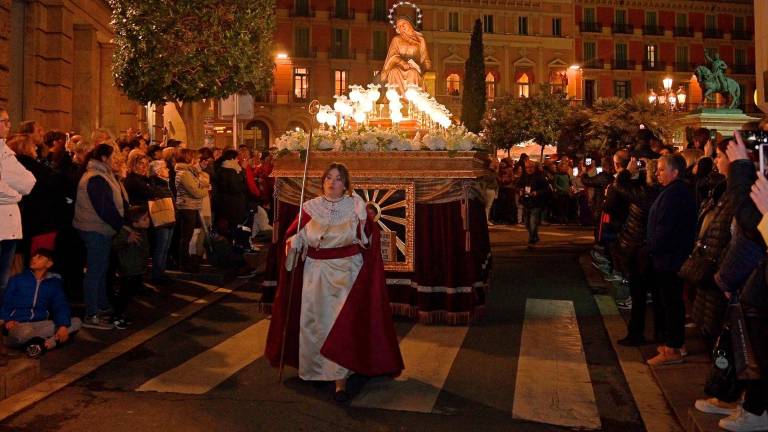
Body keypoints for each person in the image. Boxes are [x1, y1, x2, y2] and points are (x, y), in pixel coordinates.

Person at [265, 163, 404, 403]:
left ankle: (340, 381)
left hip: (346, 272)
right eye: (328, 178)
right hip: (315, 273)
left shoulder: (356, 206)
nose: (332, 182)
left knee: (340, 324)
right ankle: (314, 371)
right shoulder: (309, 208)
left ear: (346, 184)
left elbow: (369, 240)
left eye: (338, 179)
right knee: (315, 322)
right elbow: (293, 237)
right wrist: (295, 242)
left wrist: (364, 223)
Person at [645, 154, 697, 366]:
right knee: (672, 302)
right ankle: (675, 343)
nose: (657, 173)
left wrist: (651, 248)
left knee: (671, 303)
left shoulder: (676, 195)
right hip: (669, 256)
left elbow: (666, 229)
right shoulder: (673, 192)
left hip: (670, 258)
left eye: (661, 169)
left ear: (674, 172)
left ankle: (673, 348)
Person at [73, 143, 130, 330]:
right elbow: (104, 208)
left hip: (100, 229)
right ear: (104, 158)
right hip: (95, 229)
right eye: (115, 156)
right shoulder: (96, 178)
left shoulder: (103, 175)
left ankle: (101, 305)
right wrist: (122, 226)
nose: (118, 160)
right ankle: (92, 313)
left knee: (101, 269)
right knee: (95, 271)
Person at [0, 249, 81, 358]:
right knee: (24, 333)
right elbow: (6, 302)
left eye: (40, 257)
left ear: (49, 264)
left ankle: (39, 345)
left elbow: (60, 305)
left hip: (40, 324)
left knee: (75, 322)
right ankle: (47, 343)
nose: (34, 258)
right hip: (18, 325)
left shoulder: (53, 284)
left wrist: (62, 326)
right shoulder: (17, 280)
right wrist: (7, 319)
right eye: (34, 256)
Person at [0, 109, 36, 296]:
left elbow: (29, 182)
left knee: (4, 280)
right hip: (3, 225)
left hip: (9, 228)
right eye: (4, 121)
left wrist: (13, 192)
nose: (9, 125)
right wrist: (16, 195)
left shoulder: (5, 151)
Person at [111, 206, 150, 329]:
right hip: (128, 269)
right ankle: (116, 316)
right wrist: (127, 240)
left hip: (137, 268)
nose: (148, 220)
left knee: (129, 293)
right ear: (134, 222)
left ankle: (120, 314)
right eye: (144, 219)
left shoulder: (143, 231)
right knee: (124, 294)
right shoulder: (126, 232)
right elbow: (115, 246)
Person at [174, 149, 208, 272]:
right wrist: (206, 190)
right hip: (187, 206)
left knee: (187, 236)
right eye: (194, 157)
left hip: (190, 206)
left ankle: (185, 261)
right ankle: (184, 262)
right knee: (185, 237)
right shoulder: (184, 173)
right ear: (188, 158)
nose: (196, 160)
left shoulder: (188, 171)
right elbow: (196, 191)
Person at [378, 16, 432, 95]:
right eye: (399, 26)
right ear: (398, 30)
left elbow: (425, 57)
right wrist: (402, 62)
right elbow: (392, 55)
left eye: (404, 24)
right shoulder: (396, 39)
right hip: (399, 67)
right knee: (393, 72)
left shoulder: (420, 40)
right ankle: (397, 99)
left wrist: (428, 69)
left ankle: (412, 101)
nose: (402, 27)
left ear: (410, 24)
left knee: (412, 73)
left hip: (415, 69)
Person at [518, 160, 551, 246]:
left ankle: (532, 239)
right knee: (527, 224)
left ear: (534, 167)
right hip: (526, 201)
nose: (529, 169)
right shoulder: (524, 176)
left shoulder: (540, 177)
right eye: (527, 167)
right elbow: (517, 185)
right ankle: (534, 236)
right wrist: (520, 190)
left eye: (531, 167)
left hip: (536, 202)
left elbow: (546, 189)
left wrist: (536, 193)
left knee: (533, 221)